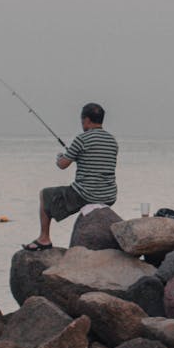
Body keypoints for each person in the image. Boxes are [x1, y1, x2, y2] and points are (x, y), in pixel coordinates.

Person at [24, 103, 118, 250]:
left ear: (86, 120)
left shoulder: (82, 139)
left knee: (45, 194)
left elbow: (63, 165)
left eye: (82, 120)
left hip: (86, 194)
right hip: (109, 195)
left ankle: (44, 238)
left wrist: (60, 156)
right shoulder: (112, 141)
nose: (82, 124)